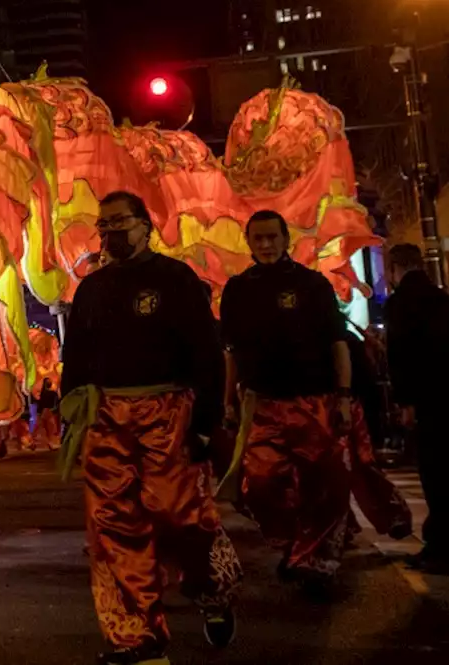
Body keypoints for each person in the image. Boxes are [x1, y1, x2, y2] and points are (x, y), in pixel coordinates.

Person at [60, 191, 241, 665]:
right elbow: (74, 360)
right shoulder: (91, 289)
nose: (111, 232)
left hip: (170, 412)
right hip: (106, 419)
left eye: (120, 222)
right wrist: (72, 418)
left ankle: (213, 588)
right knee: (114, 526)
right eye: (103, 225)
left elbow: (206, 353)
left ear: (145, 224)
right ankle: (136, 636)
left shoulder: (175, 279)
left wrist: (203, 425)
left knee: (180, 517)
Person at [220, 209, 352, 597]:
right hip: (261, 402)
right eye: (258, 238)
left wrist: (343, 397)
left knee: (322, 484)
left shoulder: (312, 284)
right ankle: (294, 543)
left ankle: (316, 560)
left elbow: (337, 342)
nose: (265, 244)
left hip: (314, 399)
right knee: (259, 485)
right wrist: (228, 401)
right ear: (248, 241)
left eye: (272, 237)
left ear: (285, 238)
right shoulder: (237, 289)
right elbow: (230, 353)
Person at [384, 243, 449, 576]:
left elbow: (400, 355)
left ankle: (446, 549)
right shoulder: (442, 298)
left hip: (426, 401)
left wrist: (405, 402)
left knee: (436, 478)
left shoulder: (400, 303)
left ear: (394, 267)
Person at [342, 327, 412, 544]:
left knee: (360, 467)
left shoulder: (343, 339)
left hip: (347, 409)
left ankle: (392, 515)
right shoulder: (344, 338)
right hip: (341, 408)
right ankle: (345, 526)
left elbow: (365, 381)